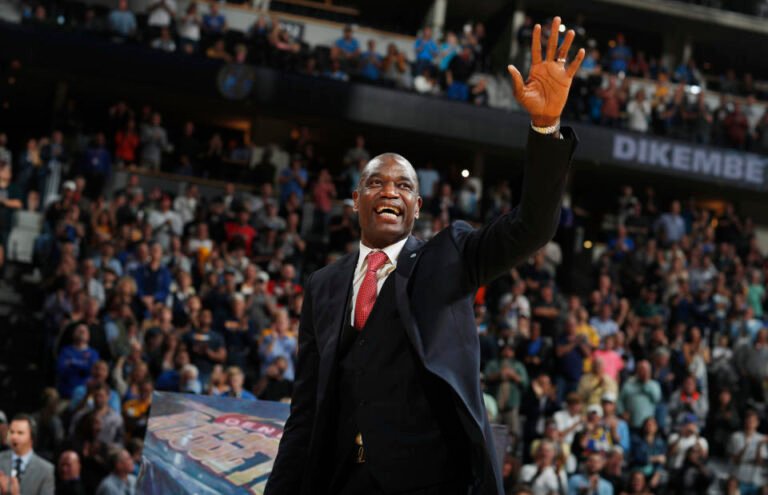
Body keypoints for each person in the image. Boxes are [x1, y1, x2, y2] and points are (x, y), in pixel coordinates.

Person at [265, 16, 585, 495]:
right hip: (339, 481)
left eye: (403, 185)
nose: (389, 190)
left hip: (429, 482)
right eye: (375, 182)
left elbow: (531, 227)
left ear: (417, 206)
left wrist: (545, 128)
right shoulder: (324, 285)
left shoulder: (449, 254)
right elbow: (306, 409)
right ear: (356, 200)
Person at [0, 414, 55, 495]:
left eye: (20, 433)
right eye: (12, 432)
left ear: (32, 437)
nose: (14, 437)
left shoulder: (46, 470)